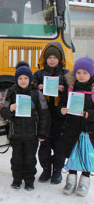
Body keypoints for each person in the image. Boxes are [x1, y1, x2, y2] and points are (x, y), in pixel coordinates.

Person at [0, 64, 50, 191]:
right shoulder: (11, 93)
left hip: (32, 135)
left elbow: (44, 114)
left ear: (30, 79)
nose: (23, 81)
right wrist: (10, 109)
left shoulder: (37, 94)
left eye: (25, 78)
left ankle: (29, 181)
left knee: (30, 159)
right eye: (20, 78)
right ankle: (17, 179)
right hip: (16, 134)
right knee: (16, 159)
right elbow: (3, 112)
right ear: (16, 79)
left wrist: (42, 134)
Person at [58, 57, 94, 197]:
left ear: (91, 74)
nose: (81, 75)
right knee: (72, 153)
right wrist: (62, 110)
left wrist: (88, 114)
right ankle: (71, 180)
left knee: (87, 155)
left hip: (89, 130)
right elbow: (61, 104)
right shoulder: (70, 87)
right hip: (72, 128)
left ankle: (84, 182)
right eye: (78, 72)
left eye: (85, 72)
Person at [33, 42, 68, 184]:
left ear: (59, 59)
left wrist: (63, 89)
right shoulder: (39, 74)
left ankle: (57, 172)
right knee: (44, 144)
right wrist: (38, 87)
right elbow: (30, 87)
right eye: (49, 57)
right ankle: (46, 169)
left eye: (55, 57)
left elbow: (73, 91)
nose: (52, 60)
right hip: (44, 115)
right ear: (44, 59)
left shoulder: (66, 74)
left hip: (60, 116)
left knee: (59, 146)